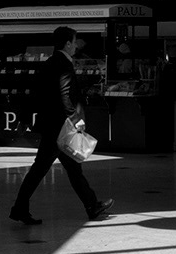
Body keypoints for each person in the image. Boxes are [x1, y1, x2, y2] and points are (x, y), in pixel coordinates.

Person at [11, 25, 115, 225]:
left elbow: (36, 92)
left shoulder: (50, 62)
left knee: (70, 168)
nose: (76, 46)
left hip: (53, 126)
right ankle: (20, 208)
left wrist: (24, 118)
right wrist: (76, 120)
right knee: (41, 169)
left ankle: (92, 205)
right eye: (75, 42)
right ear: (67, 43)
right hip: (59, 128)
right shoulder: (64, 65)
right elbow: (64, 95)